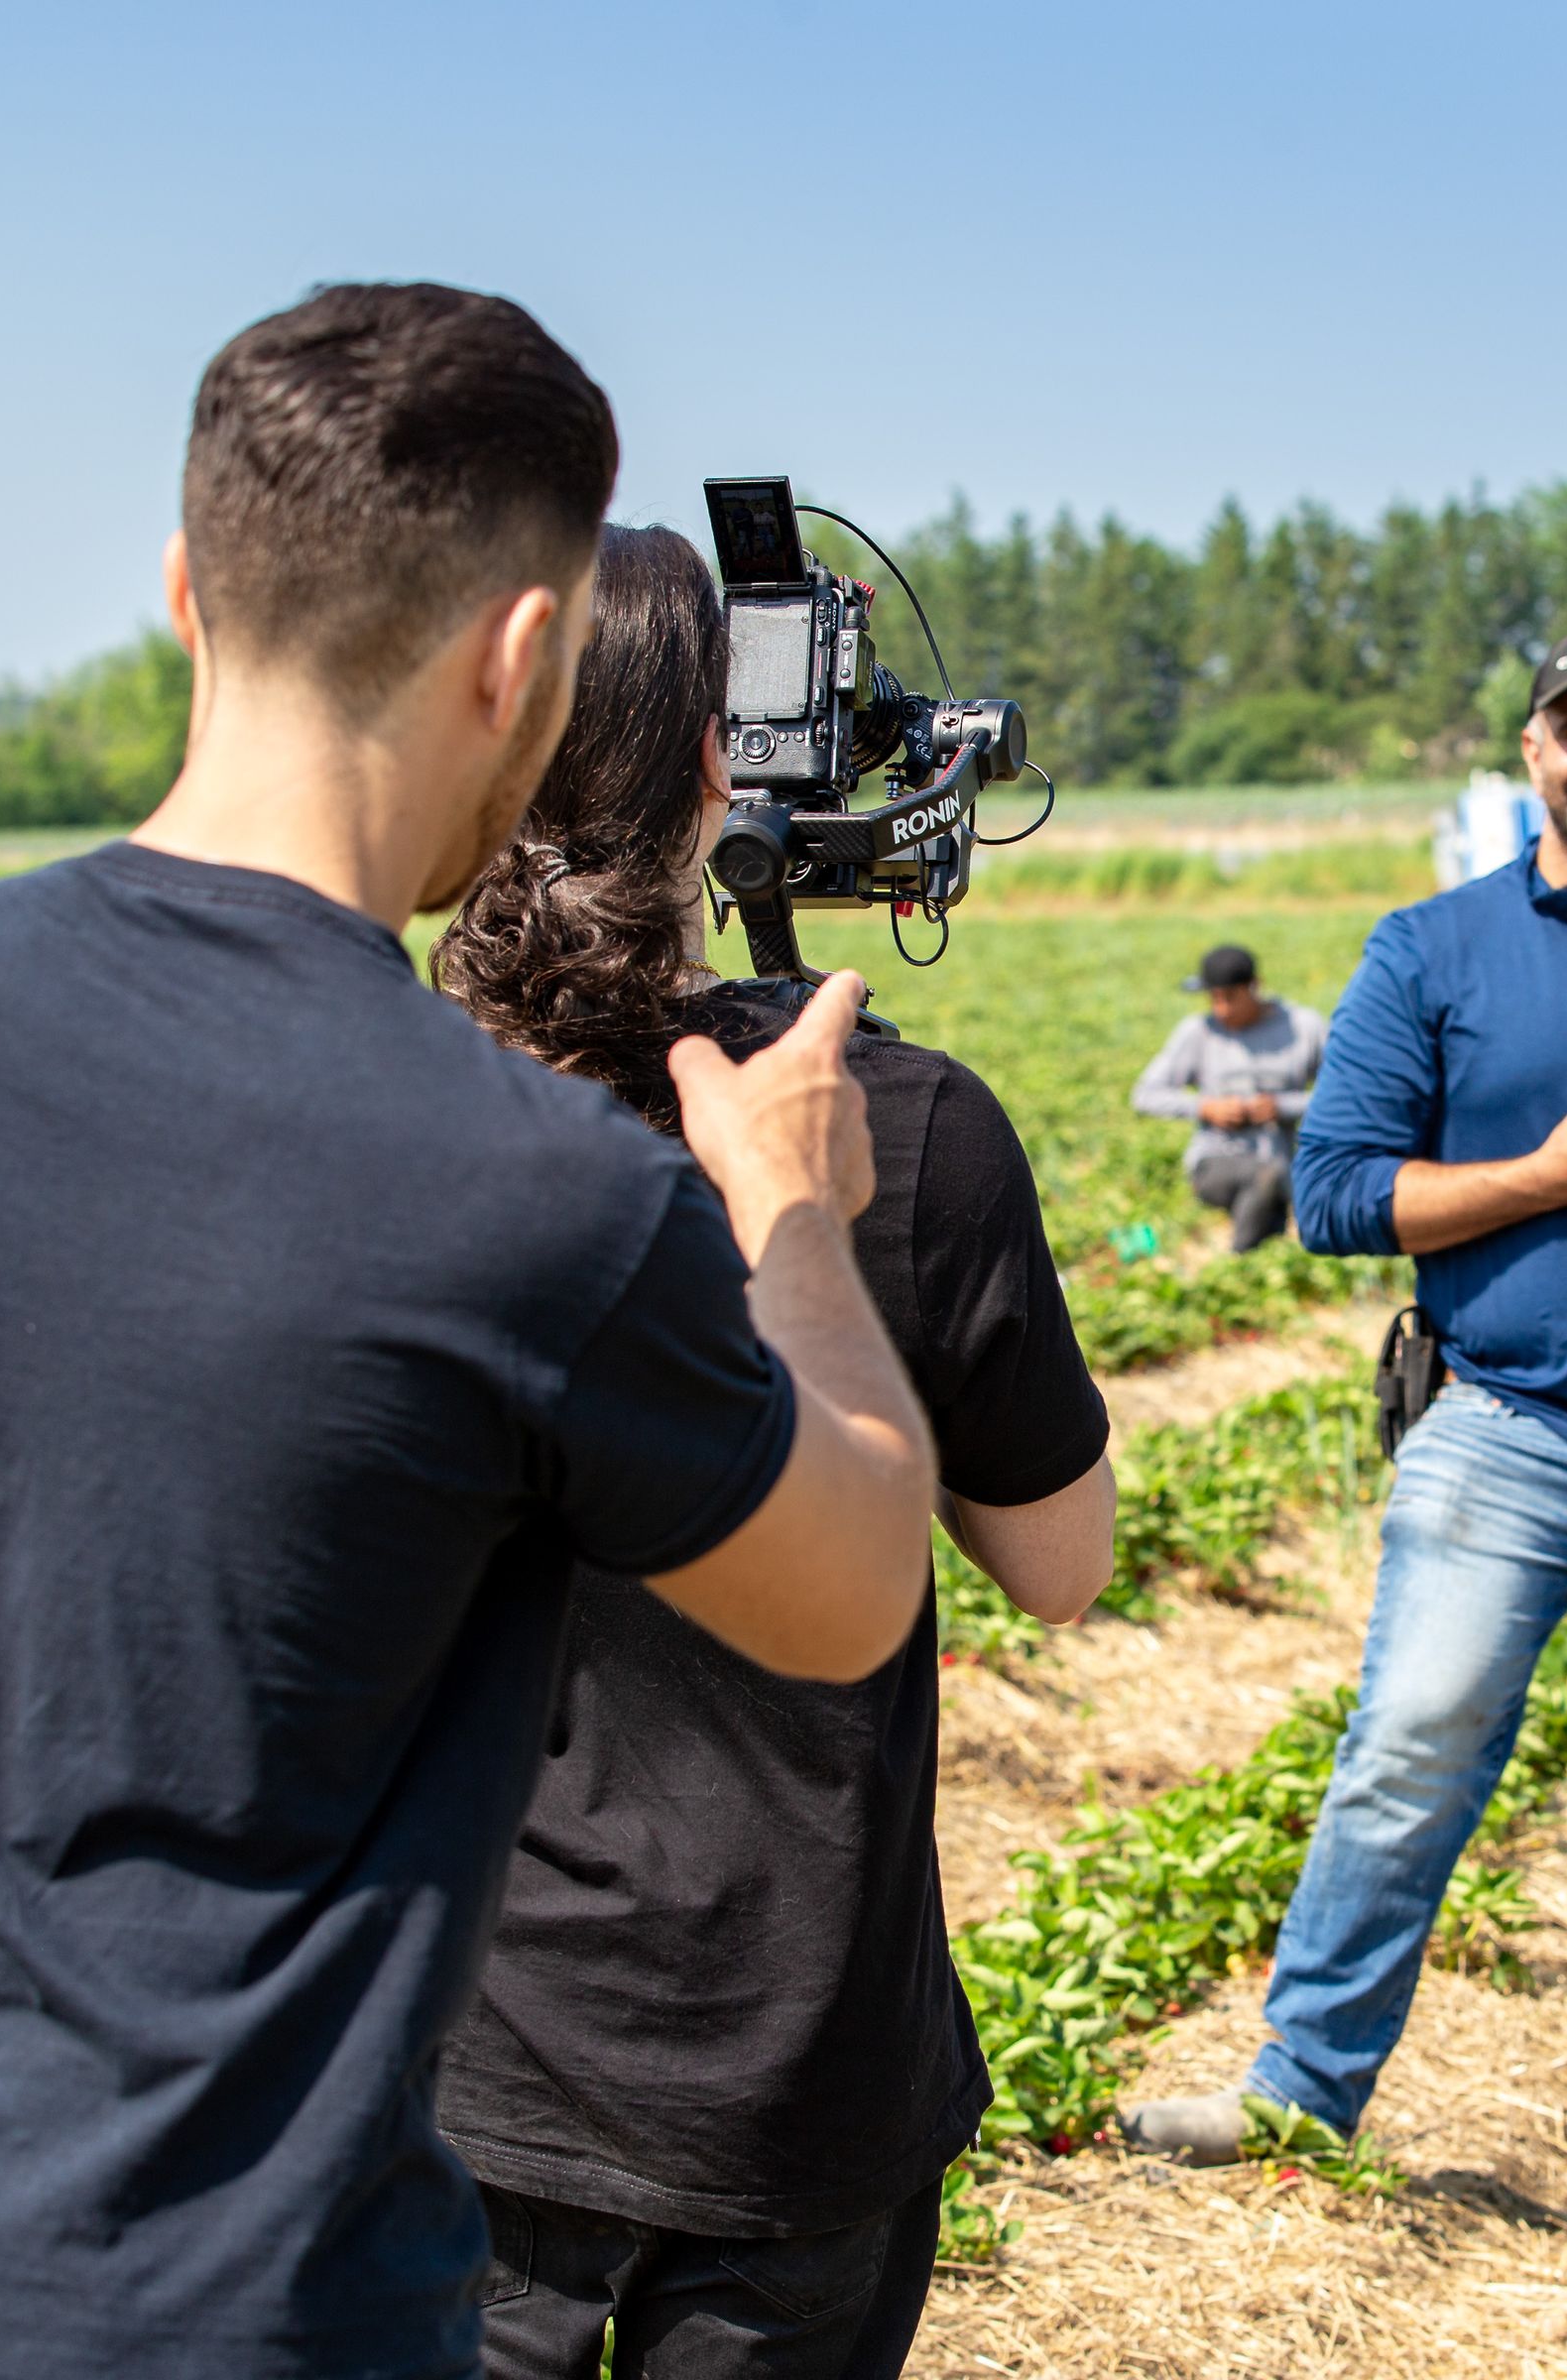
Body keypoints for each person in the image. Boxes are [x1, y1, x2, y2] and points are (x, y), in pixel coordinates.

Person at [0, 286, 940, 2380]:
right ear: (527, 656)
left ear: (191, 593)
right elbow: (852, 1588)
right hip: (251, 2300)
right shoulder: (531, 1193)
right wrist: (798, 1218)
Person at [427, 525, 1117, 2379]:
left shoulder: (368, 1106)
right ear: (729, 769)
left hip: (443, 2053)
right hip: (791, 2064)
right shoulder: (902, 1129)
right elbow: (1061, 1567)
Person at [1121, 623, 1567, 2256]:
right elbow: (1335, 1193)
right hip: (1508, 1430)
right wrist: (1545, 1180)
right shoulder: (1432, 949)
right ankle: (1300, 2088)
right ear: (1537, 755)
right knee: (1410, 1751)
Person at [1129, 944, 1327, 1250]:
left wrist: (1282, 1107)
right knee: (1265, 1175)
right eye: (1214, 999)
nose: (1221, 1009)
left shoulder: (1303, 1027)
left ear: (1255, 986)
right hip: (1215, 1162)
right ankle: (1240, 1258)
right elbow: (1144, 1094)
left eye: (1230, 998)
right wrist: (1206, 1108)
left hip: (1285, 1159)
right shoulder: (1198, 1032)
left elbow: (1344, 1095)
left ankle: (1267, 1247)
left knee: (1277, 1180)